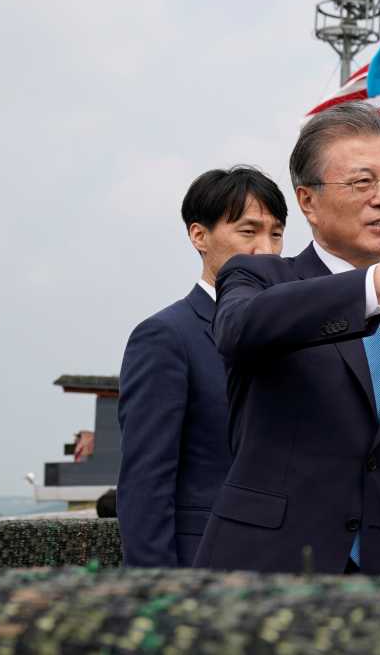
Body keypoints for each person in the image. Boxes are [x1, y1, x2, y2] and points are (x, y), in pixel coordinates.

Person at [194, 102, 380, 575]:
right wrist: (379, 287)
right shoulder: (259, 278)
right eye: (362, 183)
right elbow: (240, 328)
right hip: (274, 572)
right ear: (308, 201)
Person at [117, 166, 286, 567]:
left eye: (276, 234)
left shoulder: (293, 331)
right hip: (204, 570)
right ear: (199, 236)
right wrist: (156, 593)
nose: (266, 249)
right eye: (248, 232)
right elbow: (146, 482)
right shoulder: (166, 336)